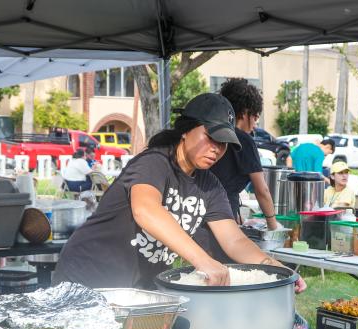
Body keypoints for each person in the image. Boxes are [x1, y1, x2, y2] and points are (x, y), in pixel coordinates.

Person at [53, 93, 306, 292]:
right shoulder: (154, 162)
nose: (217, 149)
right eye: (211, 137)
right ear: (186, 130)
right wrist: (202, 260)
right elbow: (146, 210)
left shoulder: (210, 185)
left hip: (137, 287)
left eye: (224, 143)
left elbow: (234, 240)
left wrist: (277, 270)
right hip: (88, 273)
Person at [208, 77, 278, 229]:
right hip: (222, 213)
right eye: (256, 117)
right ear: (246, 113)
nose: (255, 124)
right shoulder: (244, 140)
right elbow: (262, 190)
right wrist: (273, 226)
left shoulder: (212, 133)